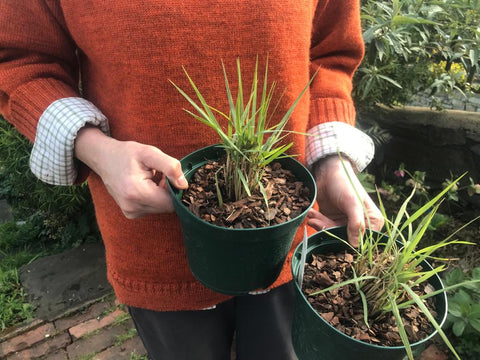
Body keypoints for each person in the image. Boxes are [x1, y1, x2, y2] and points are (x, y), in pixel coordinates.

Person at [0, 1, 384, 359]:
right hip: (153, 242)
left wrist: (332, 160)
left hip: (287, 235)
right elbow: (21, 62)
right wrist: (96, 149)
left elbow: (328, 57)